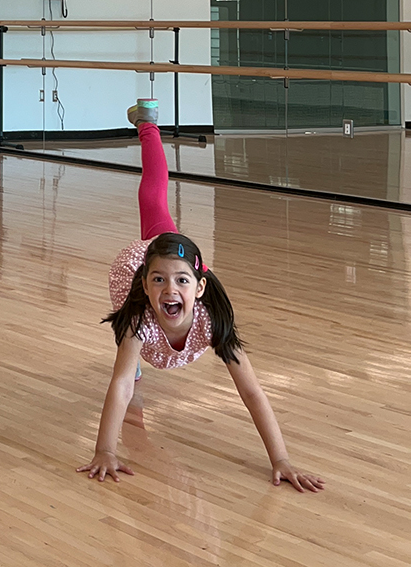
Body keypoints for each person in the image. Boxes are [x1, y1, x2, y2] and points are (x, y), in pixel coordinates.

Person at [77, 99, 324, 492]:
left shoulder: (212, 319)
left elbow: (251, 390)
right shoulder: (141, 306)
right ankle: (148, 124)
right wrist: (105, 449)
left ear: (200, 286)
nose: (170, 290)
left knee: (154, 197)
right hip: (137, 272)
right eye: (159, 281)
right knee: (130, 339)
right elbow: (121, 385)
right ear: (147, 283)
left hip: (165, 262)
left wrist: (282, 459)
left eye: (181, 282)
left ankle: (147, 123)